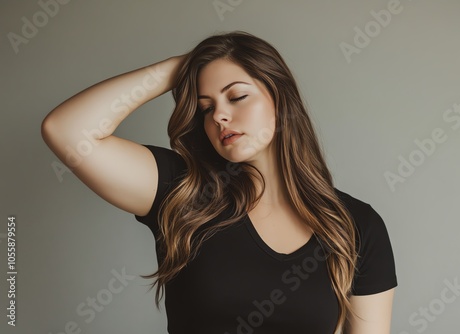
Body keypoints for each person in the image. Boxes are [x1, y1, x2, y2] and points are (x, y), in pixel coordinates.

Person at [41, 31, 397, 334]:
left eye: (237, 96)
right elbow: (67, 131)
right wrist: (179, 67)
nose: (220, 116)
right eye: (205, 107)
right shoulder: (182, 191)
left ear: (279, 96)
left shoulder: (355, 225)